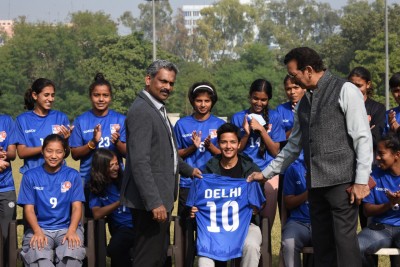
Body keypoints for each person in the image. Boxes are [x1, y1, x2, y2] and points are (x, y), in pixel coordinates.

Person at [247, 47, 373, 267]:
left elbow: (362, 137)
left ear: (307, 70)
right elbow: (292, 147)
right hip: (315, 185)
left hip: (343, 184)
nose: (293, 79)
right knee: (322, 247)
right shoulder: (304, 103)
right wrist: (266, 174)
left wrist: (361, 181)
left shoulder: (346, 90)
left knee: (344, 245)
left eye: (294, 74)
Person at [120, 59, 201, 267]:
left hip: (160, 200)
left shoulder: (157, 108)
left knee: (157, 258)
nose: (167, 87)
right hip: (149, 203)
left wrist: (190, 170)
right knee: (147, 259)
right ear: (149, 80)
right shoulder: (142, 111)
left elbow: (168, 154)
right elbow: (139, 162)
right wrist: (154, 202)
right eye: (163, 81)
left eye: (171, 83)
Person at [188, 123, 265, 267]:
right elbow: (195, 203)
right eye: (223, 142)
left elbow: (261, 202)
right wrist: (194, 210)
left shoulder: (251, 169)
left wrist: (255, 207)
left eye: (232, 142)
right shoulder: (207, 171)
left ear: (239, 143)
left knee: (252, 246)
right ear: (218, 143)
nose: (228, 146)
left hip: (245, 225)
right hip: (215, 229)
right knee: (204, 262)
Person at [173, 81, 225, 266]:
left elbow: (226, 154)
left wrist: (211, 147)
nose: (203, 104)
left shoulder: (219, 124)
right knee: (187, 228)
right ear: (192, 101)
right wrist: (191, 148)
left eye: (207, 101)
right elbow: (174, 155)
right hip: (188, 185)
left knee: (213, 229)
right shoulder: (182, 124)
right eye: (198, 100)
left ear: (212, 102)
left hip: (212, 185)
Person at [17, 134, 86, 267]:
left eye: (59, 152)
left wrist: (72, 230)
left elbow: (77, 207)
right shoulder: (30, 176)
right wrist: (37, 231)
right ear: (42, 151)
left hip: (67, 227)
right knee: (39, 259)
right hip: (40, 228)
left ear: (64, 153)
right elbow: (29, 209)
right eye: (49, 151)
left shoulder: (73, 175)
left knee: (72, 257)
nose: (54, 156)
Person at [231, 79, 286, 228]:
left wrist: (262, 130)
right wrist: (246, 134)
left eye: (263, 100)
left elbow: (276, 152)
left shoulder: (275, 117)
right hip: (244, 173)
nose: (259, 103)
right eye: (255, 98)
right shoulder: (238, 117)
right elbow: (233, 151)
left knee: (266, 222)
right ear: (249, 96)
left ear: (268, 100)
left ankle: (266, 251)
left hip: (268, 173)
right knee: (244, 220)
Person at [69, 73, 126, 216]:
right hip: (88, 179)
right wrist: (93, 143)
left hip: (115, 180)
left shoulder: (121, 120)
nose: (101, 99)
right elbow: (75, 154)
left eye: (105, 95)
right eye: (96, 95)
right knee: (89, 224)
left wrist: (118, 143)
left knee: (119, 223)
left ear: (110, 97)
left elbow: (127, 153)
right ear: (90, 96)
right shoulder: (81, 120)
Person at [348, 66, 386, 228]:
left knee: (367, 218)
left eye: (359, 85)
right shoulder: (344, 106)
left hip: (369, 169)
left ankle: (368, 253)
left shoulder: (377, 108)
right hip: (348, 168)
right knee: (348, 217)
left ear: (368, 85)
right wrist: (365, 130)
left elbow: (376, 138)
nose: (355, 89)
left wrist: (357, 133)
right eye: (352, 85)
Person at [358, 131, 400, 267]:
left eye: (381, 154)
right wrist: (390, 204)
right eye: (376, 153)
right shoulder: (373, 175)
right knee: (357, 247)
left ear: (397, 155)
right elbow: (367, 211)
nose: (376, 158)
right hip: (380, 227)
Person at [13, 78, 71, 174]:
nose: (51, 99)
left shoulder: (61, 117)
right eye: (46, 95)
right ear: (35, 95)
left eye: (53, 95)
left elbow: (66, 153)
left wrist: (66, 141)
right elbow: (21, 152)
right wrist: (47, 147)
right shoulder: (22, 120)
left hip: (58, 175)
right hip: (32, 175)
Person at [88, 148, 134, 267]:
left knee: (115, 249)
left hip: (136, 225)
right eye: (111, 165)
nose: (116, 168)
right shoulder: (97, 186)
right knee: (115, 249)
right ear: (101, 168)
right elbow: (97, 213)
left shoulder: (126, 180)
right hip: (120, 228)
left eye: (116, 163)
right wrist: (119, 202)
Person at [276, 76, 306, 216]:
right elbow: (280, 139)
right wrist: (297, 123)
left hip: (308, 164)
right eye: (288, 88)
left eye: (296, 87)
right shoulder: (280, 110)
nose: (292, 92)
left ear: (304, 88)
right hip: (288, 165)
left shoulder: (311, 106)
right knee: (286, 206)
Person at [281, 155, 312, 267]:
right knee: (289, 243)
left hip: (321, 222)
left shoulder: (329, 167)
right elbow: (288, 203)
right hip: (297, 222)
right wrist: (308, 193)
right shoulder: (294, 168)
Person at [0, 113, 17, 266]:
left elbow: (12, 153)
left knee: (7, 235)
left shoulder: (6, 120)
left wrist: (3, 155)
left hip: (6, 188)